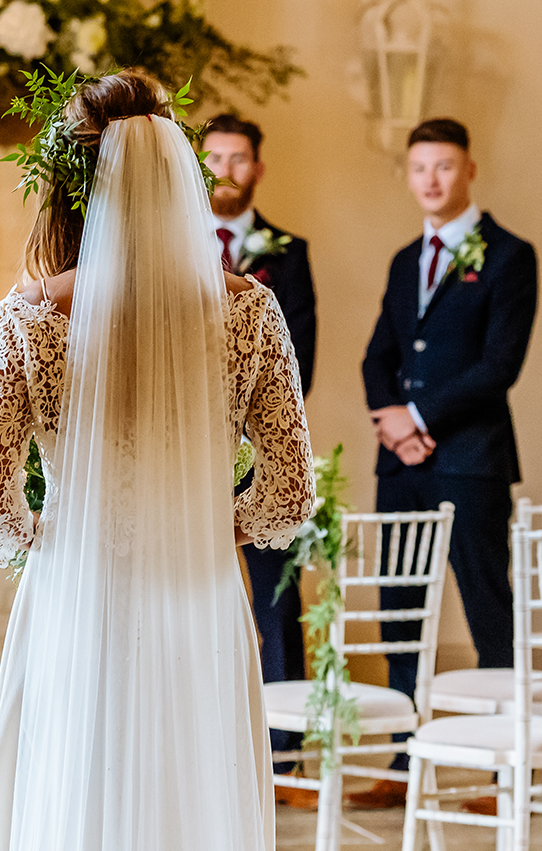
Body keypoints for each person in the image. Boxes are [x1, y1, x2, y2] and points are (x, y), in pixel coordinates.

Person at [0, 69, 315, 851]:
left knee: (78, 789)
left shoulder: (27, 315)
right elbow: (291, 492)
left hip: (76, 596)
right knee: (188, 792)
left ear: (70, 187)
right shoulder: (250, 310)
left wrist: (46, 532)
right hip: (195, 590)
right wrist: (211, 523)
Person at [346, 117, 539, 811]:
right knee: (399, 609)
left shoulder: (512, 256)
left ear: (470, 170)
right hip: (401, 467)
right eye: (420, 167)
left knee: (488, 608)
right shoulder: (405, 259)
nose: (431, 179)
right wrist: (393, 427)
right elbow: (379, 357)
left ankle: (506, 772)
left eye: (445, 166)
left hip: (471, 463)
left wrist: (421, 420)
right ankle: (401, 765)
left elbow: (499, 367)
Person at [201, 114, 318, 770]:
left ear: (257, 168)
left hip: (265, 447)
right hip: (193, 448)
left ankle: (282, 745)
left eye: (238, 158)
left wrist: (257, 436)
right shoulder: (176, 243)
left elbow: (303, 356)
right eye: (213, 156)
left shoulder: (289, 253)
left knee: (276, 591)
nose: (225, 169)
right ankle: (215, 740)